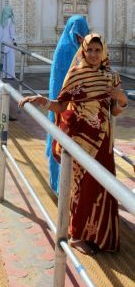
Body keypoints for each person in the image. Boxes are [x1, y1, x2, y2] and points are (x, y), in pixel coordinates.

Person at [19, 33, 128, 255]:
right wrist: (42, 101)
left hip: (103, 141)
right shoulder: (76, 76)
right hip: (81, 141)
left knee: (103, 187)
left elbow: (114, 111)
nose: (94, 54)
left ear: (104, 51)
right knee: (83, 188)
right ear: (83, 51)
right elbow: (61, 105)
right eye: (90, 50)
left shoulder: (111, 78)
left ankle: (101, 237)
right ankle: (78, 235)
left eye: (98, 50)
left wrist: (122, 99)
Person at [46, 15, 89, 194]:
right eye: (78, 35)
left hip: (76, 103)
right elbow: (60, 80)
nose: (80, 38)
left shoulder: (81, 50)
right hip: (62, 102)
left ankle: (72, 186)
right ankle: (58, 186)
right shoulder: (65, 49)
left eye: (82, 35)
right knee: (60, 139)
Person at [0, 5, 17, 79]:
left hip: (1, 42)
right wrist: (14, 40)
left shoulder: (0, 19)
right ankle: (10, 75)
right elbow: (12, 32)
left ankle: (2, 74)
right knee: (10, 59)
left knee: (2, 59)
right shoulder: (10, 19)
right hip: (9, 42)